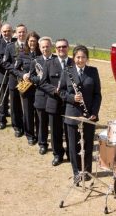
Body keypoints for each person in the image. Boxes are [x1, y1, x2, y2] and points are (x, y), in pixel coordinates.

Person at [60, 45, 101, 180]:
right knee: (73, 145)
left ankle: (87, 171)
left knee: (88, 144)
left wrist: (94, 112)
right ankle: (77, 172)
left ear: (87, 58)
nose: (80, 60)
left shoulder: (93, 71)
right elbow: (61, 92)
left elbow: (97, 95)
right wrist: (72, 98)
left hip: (89, 114)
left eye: (83, 57)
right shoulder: (67, 71)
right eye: (78, 57)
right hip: (72, 113)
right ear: (74, 58)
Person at [39, 38, 74, 166]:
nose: (61, 49)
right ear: (55, 49)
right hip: (53, 102)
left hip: (70, 104)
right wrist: (55, 90)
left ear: (68, 48)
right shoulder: (49, 63)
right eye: (58, 47)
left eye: (64, 47)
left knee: (70, 131)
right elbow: (42, 83)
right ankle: (57, 155)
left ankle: (71, 154)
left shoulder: (73, 62)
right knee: (55, 131)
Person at [12, 31, 41, 145]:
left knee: (38, 112)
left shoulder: (41, 54)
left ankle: (39, 135)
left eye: (34, 41)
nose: (32, 43)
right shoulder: (22, 54)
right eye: (30, 41)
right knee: (28, 112)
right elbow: (15, 69)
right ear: (27, 42)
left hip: (39, 88)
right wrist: (22, 75)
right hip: (26, 87)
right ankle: (29, 135)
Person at [26, 36, 54, 155]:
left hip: (53, 96)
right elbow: (31, 78)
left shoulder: (56, 60)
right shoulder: (35, 61)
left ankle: (56, 145)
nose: (45, 49)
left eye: (47, 46)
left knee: (54, 122)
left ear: (51, 47)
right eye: (43, 47)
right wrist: (39, 79)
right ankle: (42, 144)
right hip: (41, 95)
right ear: (40, 48)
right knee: (41, 122)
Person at [3, 24, 28, 137]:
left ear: (26, 33)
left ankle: (28, 127)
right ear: (15, 33)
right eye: (19, 32)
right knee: (15, 104)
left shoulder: (31, 46)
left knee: (27, 105)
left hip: (28, 81)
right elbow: (6, 63)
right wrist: (18, 73)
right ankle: (17, 127)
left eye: (23, 32)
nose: (21, 34)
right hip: (14, 79)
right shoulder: (10, 46)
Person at [0, 23, 15, 130]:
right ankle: (1, 120)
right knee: (2, 99)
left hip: (14, 76)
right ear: (1, 32)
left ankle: (16, 122)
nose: (6, 33)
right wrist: (6, 64)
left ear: (12, 32)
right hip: (2, 74)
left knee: (15, 100)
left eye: (9, 31)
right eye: (4, 31)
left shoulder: (16, 43)